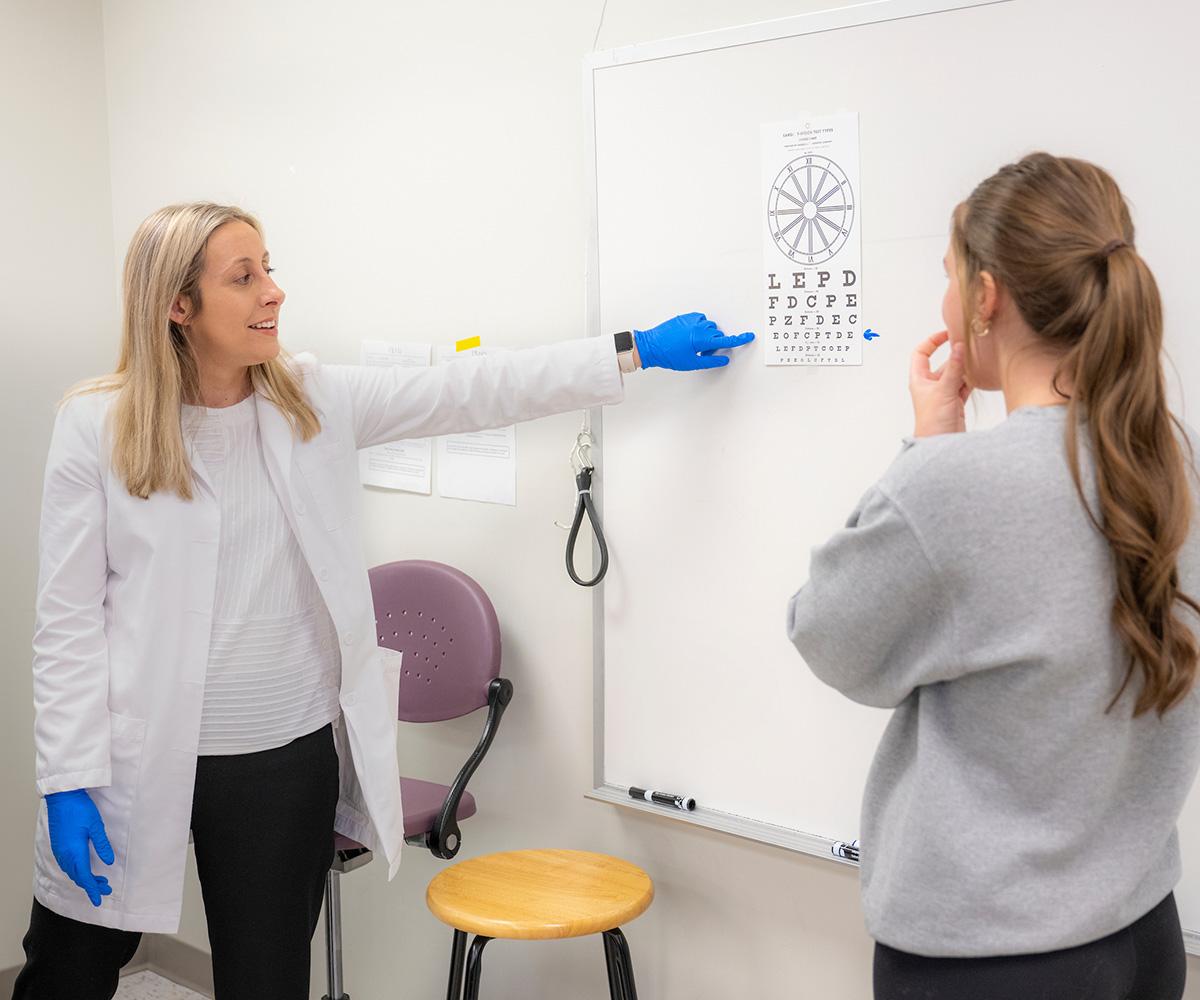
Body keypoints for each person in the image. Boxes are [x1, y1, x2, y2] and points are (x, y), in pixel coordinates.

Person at [14, 201, 754, 1000]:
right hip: (132, 752)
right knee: (68, 973)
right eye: (244, 276)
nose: (274, 293)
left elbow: (473, 386)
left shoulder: (312, 400)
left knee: (266, 980)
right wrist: (65, 778)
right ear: (177, 304)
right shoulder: (98, 425)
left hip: (280, 753)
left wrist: (635, 350)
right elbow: (65, 622)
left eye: (269, 267)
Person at [787, 153, 1199, 1000]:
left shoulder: (952, 484)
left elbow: (827, 636)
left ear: (985, 299)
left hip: (990, 962)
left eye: (949, 277)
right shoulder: (1171, 461)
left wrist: (929, 445)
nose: (943, 300)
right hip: (1143, 937)